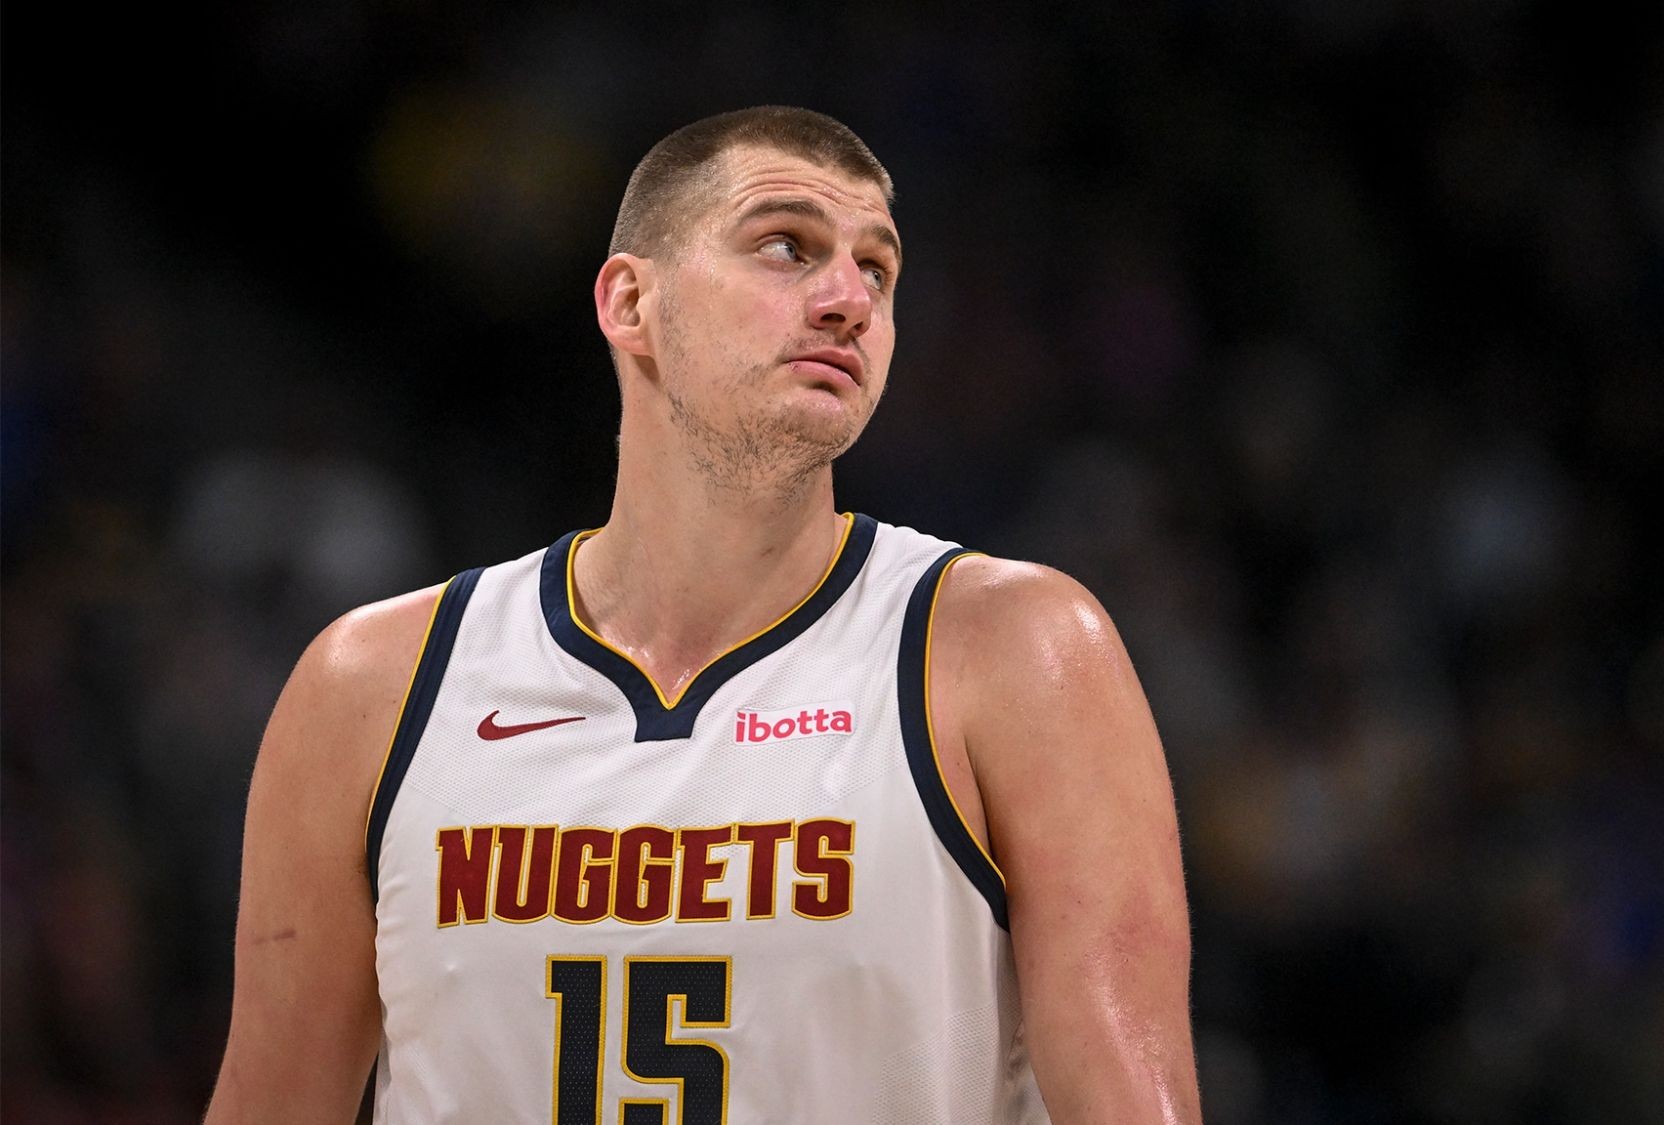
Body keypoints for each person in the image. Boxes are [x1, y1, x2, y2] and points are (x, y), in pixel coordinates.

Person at [205, 106, 1201, 1124]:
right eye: (787, 247)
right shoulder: (373, 687)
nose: (849, 300)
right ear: (630, 302)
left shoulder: (1012, 651)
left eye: (878, 270)